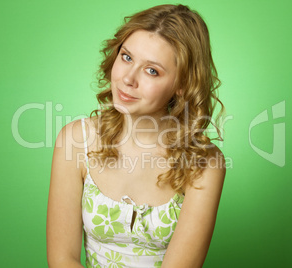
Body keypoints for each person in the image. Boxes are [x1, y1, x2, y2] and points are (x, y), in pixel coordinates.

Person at [47, 4, 226, 268]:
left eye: (152, 70)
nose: (128, 79)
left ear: (182, 85)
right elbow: (63, 259)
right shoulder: (75, 140)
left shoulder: (205, 165)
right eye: (127, 57)